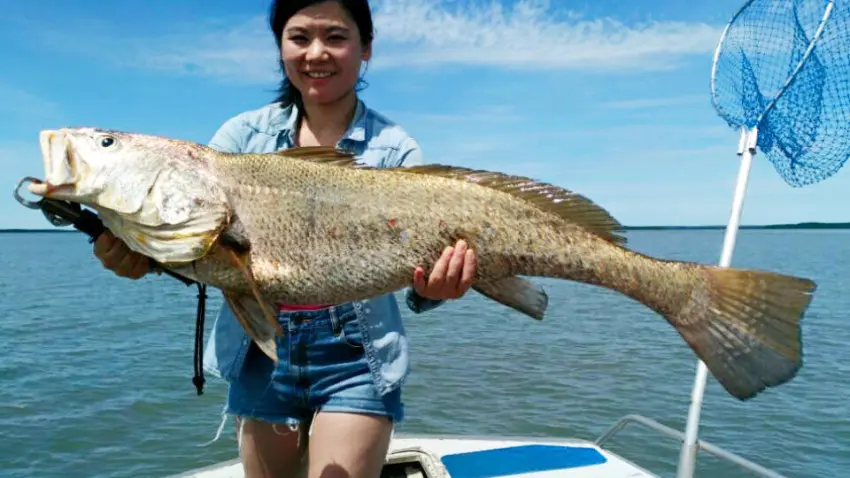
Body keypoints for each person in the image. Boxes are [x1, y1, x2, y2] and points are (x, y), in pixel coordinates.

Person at [92, 0, 477, 477]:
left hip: (359, 353)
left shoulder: (395, 148)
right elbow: (201, 242)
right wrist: (143, 256)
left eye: (336, 37)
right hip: (258, 349)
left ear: (366, 49)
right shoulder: (239, 136)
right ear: (280, 48)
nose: (317, 52)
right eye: (299, 37)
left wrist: (432, 288)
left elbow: (413, 266)